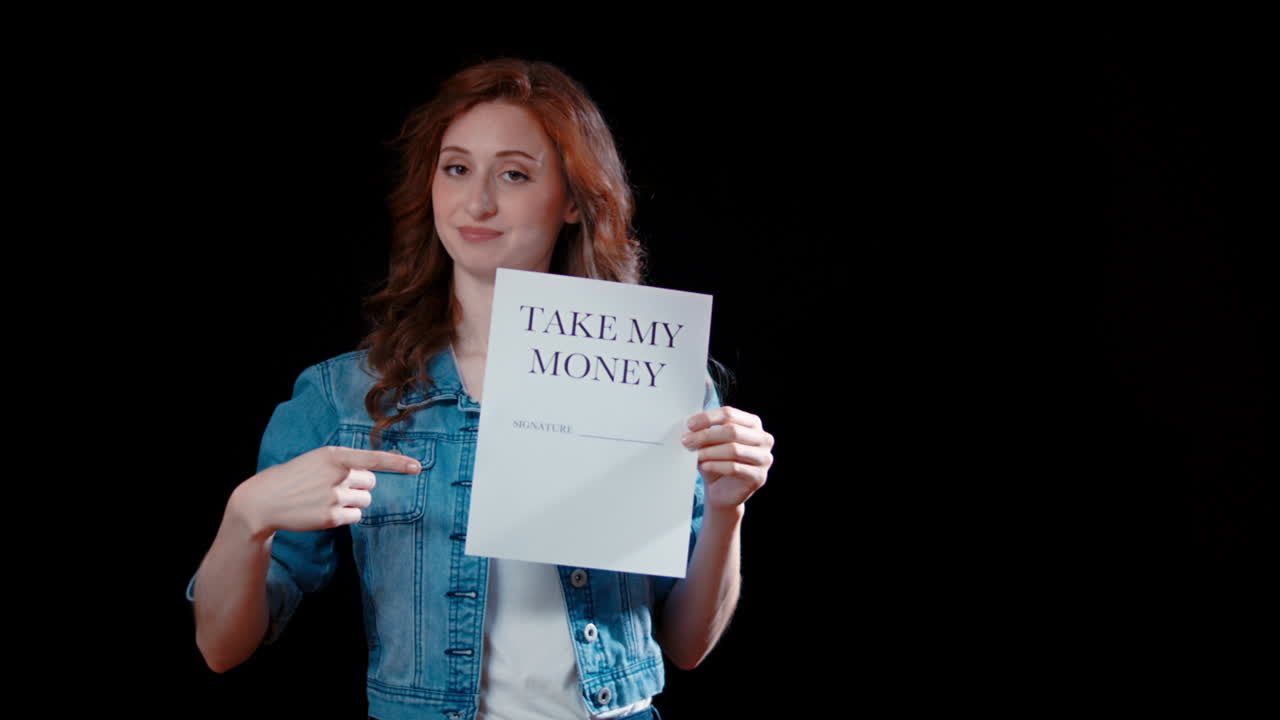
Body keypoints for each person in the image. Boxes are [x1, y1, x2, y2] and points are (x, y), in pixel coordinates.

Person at [189, 58, 775, 720]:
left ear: (576, 201)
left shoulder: (656, 377)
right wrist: (246, 518)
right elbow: (220, 646)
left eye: (515, 174)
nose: (478, 203)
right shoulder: (345, 395)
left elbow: (689, 646)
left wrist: (729, 507)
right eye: (457, 168)